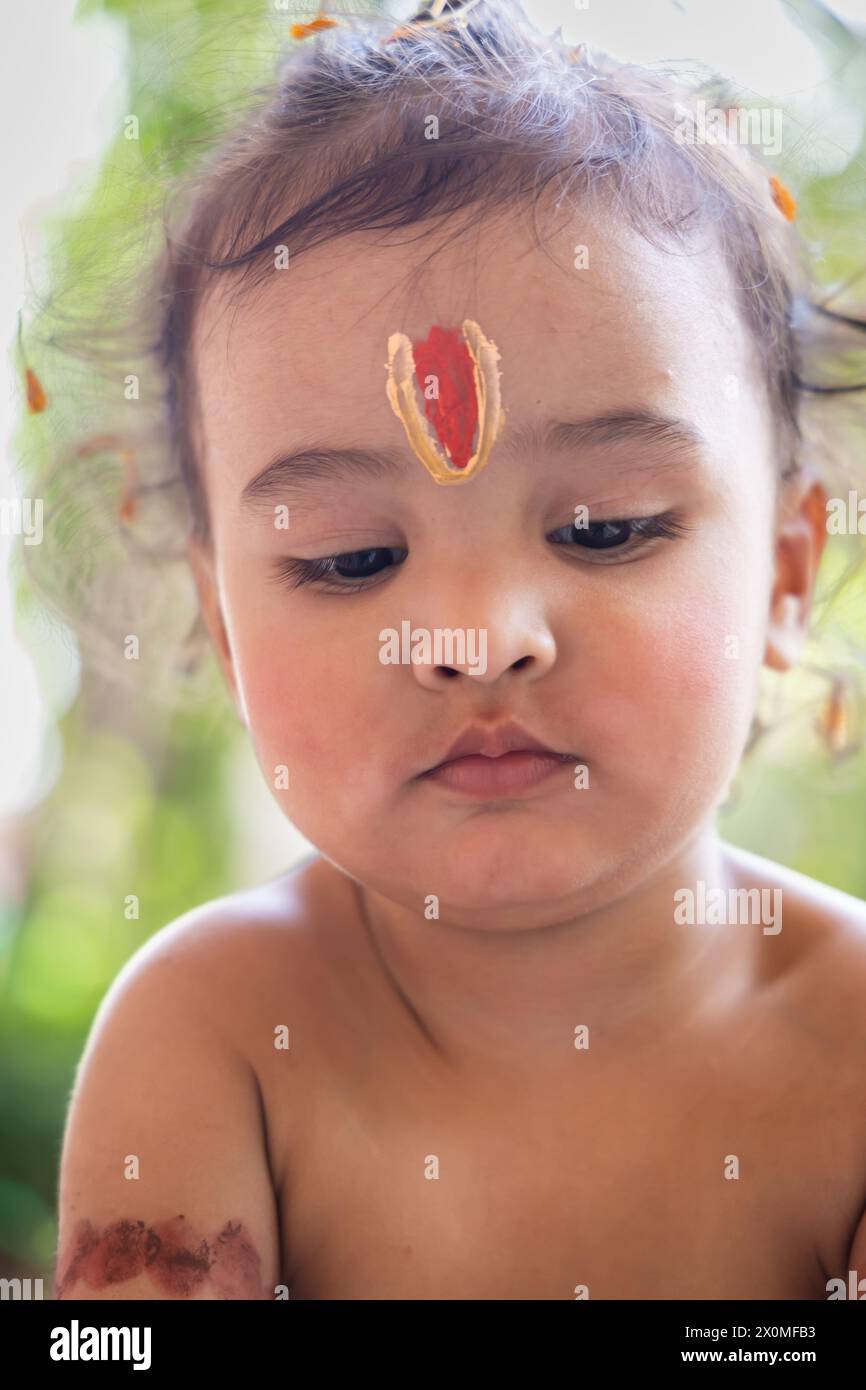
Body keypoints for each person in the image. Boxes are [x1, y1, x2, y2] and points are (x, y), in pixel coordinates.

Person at [50, 0, 866, 1299]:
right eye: (351, 559)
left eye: (605, 528)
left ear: (780, 569)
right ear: (222, 620)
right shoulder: (210, 1037)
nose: (477, 639)